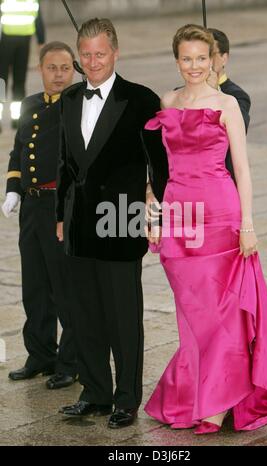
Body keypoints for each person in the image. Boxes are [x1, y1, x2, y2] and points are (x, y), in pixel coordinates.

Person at [144, 24, 267, 434]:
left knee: (223, 311)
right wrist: (154, 212)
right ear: (176, 60)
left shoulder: (227, 104)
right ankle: (198, 391)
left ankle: (216, 402)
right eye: (186, 58)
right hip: (179, 215)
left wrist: (248, 225)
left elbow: (244, 170)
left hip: (220, 212)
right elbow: (159, 169)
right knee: (192, 312)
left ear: (213, 60)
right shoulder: (167, 100)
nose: (194, 66)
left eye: (201, 58)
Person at [56, 18, 168, 428]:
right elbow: (64, 163)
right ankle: (96, 392)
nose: (92, 61)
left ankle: (125, 399)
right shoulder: (69, 98)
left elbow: (161, 167)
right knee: (84, 314)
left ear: (115, 52)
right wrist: (59, 218)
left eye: (99, 53)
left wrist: (155, 214)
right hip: (78, 223)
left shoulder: (140, 99)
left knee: (123, 317)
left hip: (121, 221)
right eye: (85, 54)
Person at [1, 41, 77, 390]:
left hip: (59, 206)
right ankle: (40, 354)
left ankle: (70, 360)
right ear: (41, 69)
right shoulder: (30, 104)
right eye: (52, 68)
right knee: (34, 284)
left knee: (64, 287)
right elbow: (19, 150)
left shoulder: (78, 105)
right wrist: (13, 189)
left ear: (73, 70)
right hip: (31, 207)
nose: (59, 74)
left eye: (65, 67)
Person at [208, 28, 250, 184]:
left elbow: (237, 132)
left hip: (222, 182)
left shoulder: (237, 96)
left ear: (224, 58)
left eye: (211, 54)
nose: (205, 60)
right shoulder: (179, 95)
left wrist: (214, 93)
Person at [0, 0, 45, 131]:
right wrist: (41, 40)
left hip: (22, 42)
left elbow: (37, 18)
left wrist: (41, 42)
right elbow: (38, 19)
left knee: (17, 80)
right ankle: (13, 119)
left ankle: (17, 118)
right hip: (5, 42)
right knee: (5, 81)